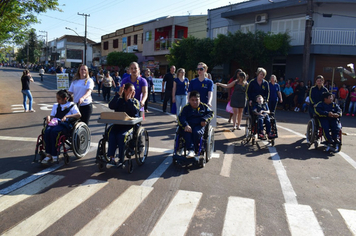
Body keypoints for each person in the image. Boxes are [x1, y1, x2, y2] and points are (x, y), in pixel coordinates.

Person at [41, 90, 81, 164]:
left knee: (54, 132)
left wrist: (67, 116)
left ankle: (55, 154)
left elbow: (78, 115)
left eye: (59, 98)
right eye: (57, 98)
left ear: (65, 98)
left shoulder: (71, 105)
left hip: (65, 124)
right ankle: (48, 154)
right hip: (55, 122)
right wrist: (49, 117)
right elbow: (53, 115)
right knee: (46, 131)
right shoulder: (56, 105)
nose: (57, 100)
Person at [106, 83, 140, 167]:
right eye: (131, 90)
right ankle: (111, 159)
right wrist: (118, 94)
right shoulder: (119, 100)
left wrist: (129, 101)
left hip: (129, 125)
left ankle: (121, 159)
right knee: (112, 134)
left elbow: (135, 112)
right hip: (118, 124)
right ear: (125, 91)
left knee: (121, 136)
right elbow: (111, 105)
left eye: (134, 91)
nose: (133, 93)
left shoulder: (135, 101)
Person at [178, 91, 214, 157]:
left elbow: (211, 113)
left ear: (199, 99)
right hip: (189, 125)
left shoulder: (204, 107)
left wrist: (204, 119)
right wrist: (186, 125)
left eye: (197, 100)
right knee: (187, 132)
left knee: (196, 132)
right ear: (189, 100)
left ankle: (197, 150)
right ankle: (191, 150)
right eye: (192, 100)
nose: (195, 102)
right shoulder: (186, 108)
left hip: (199, 126)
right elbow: (181, 117)